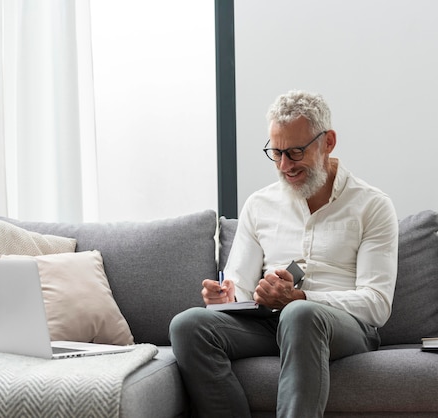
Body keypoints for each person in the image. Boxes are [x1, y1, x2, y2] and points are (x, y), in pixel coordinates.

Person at [169, 90, 398, 418]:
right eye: (275, 153)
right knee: (187, 325)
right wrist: (227, 296)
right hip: (269, 323)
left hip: (343, 328)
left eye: (294, 152)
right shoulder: (259, 205)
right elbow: (241, 287)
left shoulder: (372, 205)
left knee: (299, 315)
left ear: (328, 142)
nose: (284, 166)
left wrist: (301, 298)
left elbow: (376, 305)